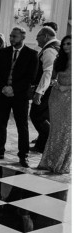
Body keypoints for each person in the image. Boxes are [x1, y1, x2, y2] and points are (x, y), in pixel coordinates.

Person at [0, 26, 39, 168]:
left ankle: (23, 155)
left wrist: (13, 89)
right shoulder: (3, 52)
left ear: (23, 37)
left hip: (20, 95)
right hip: (2, 92)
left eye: (14, 36)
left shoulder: (32, 54)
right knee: (1, 123)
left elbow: (31, 77)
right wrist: (4, 87)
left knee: (22, 126)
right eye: (10, 36)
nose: (11, 38)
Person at [38, 35, 71, 174]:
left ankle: (61, 164)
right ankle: (48, 162)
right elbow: (52, 76)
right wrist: (54, 83)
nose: (65, 46)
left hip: (70, 99)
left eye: (69, 44)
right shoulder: (60, 59)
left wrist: (68, 88)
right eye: (64, 44)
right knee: (55, 131)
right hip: (56, 97)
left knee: (66, 131)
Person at [29, 26, 60, 153]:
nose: (36, 39)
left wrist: (39, 92)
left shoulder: (49, 50)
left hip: (47, 89)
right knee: (44, 116)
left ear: (46, 36)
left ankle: (53, 142)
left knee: (37, 116)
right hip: (51, 88)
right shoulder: (56, 46)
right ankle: (42, 146)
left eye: (38, 36)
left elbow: (48, 72)